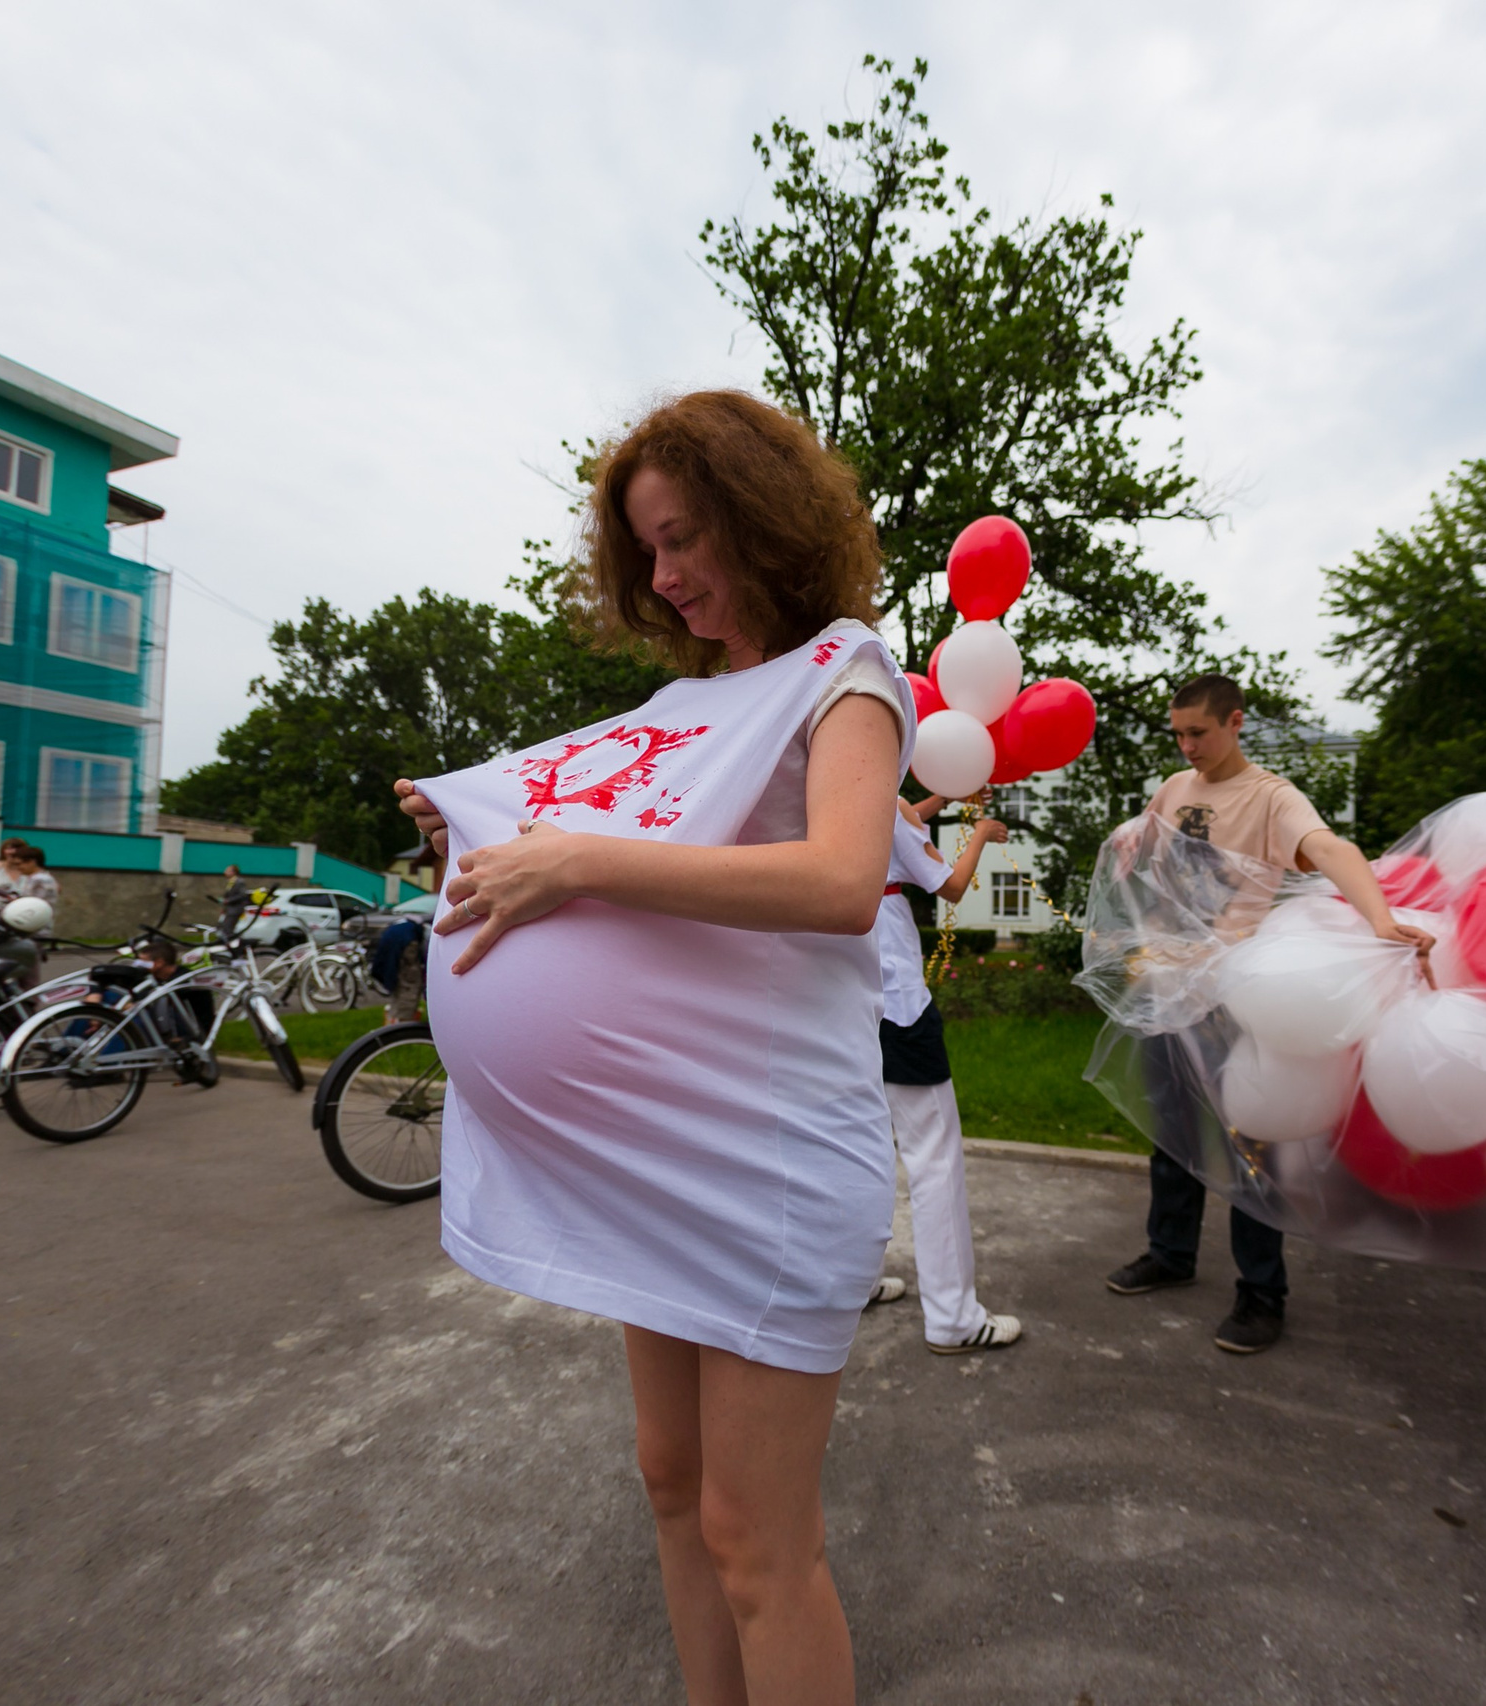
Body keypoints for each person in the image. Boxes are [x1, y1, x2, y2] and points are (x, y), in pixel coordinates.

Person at [391, 390, 904, 1705]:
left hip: (767, 1155)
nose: (665, 581)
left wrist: (574, 859)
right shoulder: (694, 710)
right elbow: (607, 852)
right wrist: (491, 836)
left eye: (684, 541)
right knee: (671, 1485)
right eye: (646, 553)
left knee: (757, 1536)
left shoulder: (848, 669)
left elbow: (845, 879)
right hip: (642, 1147)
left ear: (762, 519)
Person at [1104, 674, 1434, 1355]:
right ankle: (1170, 1253)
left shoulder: (1271, 798)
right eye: (1178, 734)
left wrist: (1380, 919)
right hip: (1168, 986)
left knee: (1252, 1141)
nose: (1187, 745)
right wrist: (1130, 836)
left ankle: (1261, 1293)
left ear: (1235, 722)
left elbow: (1332, 851)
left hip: (1233, 997)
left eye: (1199, 732)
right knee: (1171, 1135)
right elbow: (1150, 835)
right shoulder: (1175, 786)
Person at [863, 794, 1021, 1352]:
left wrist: (944, 797)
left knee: (861, 1150)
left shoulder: (824, 788)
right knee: (934, 1158)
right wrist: (980, 833)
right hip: (899, 1003)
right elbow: (948, 884)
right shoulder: (887, 803)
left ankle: (851, 1283)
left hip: (843, 1003)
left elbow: (904, 820)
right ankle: (954, 1317)